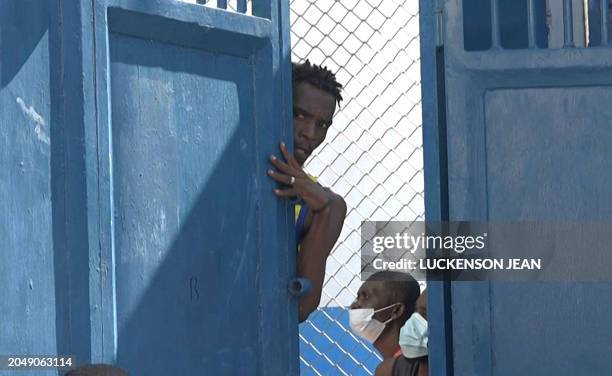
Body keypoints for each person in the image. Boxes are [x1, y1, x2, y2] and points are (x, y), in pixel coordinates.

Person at [267, 60, 347, 323]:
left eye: (322, 124)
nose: (310, 134)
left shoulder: (325, 204)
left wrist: (323, 211)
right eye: (299, 115)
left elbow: (301, 308)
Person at [349, 271, 428, 376]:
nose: (354, 306)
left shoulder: (393, 370)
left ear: (396, 310)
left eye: (365, 297)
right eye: (357, 298)